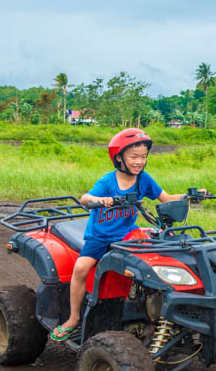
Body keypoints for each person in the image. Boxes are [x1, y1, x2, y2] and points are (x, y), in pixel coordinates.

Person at [51, 128, 187, 341]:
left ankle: (151, 312)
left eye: (143, 157)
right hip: (100, 237)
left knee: (155, 264)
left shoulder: (144, 180)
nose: (139, 161)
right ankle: (73, 318)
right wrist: (101, 200)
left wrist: (189, 196)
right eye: (134, 157)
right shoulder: (108, 182)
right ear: (118, 158)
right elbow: (85, 198)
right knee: (80, 268)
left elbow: (166, 198)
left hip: (128, 235)